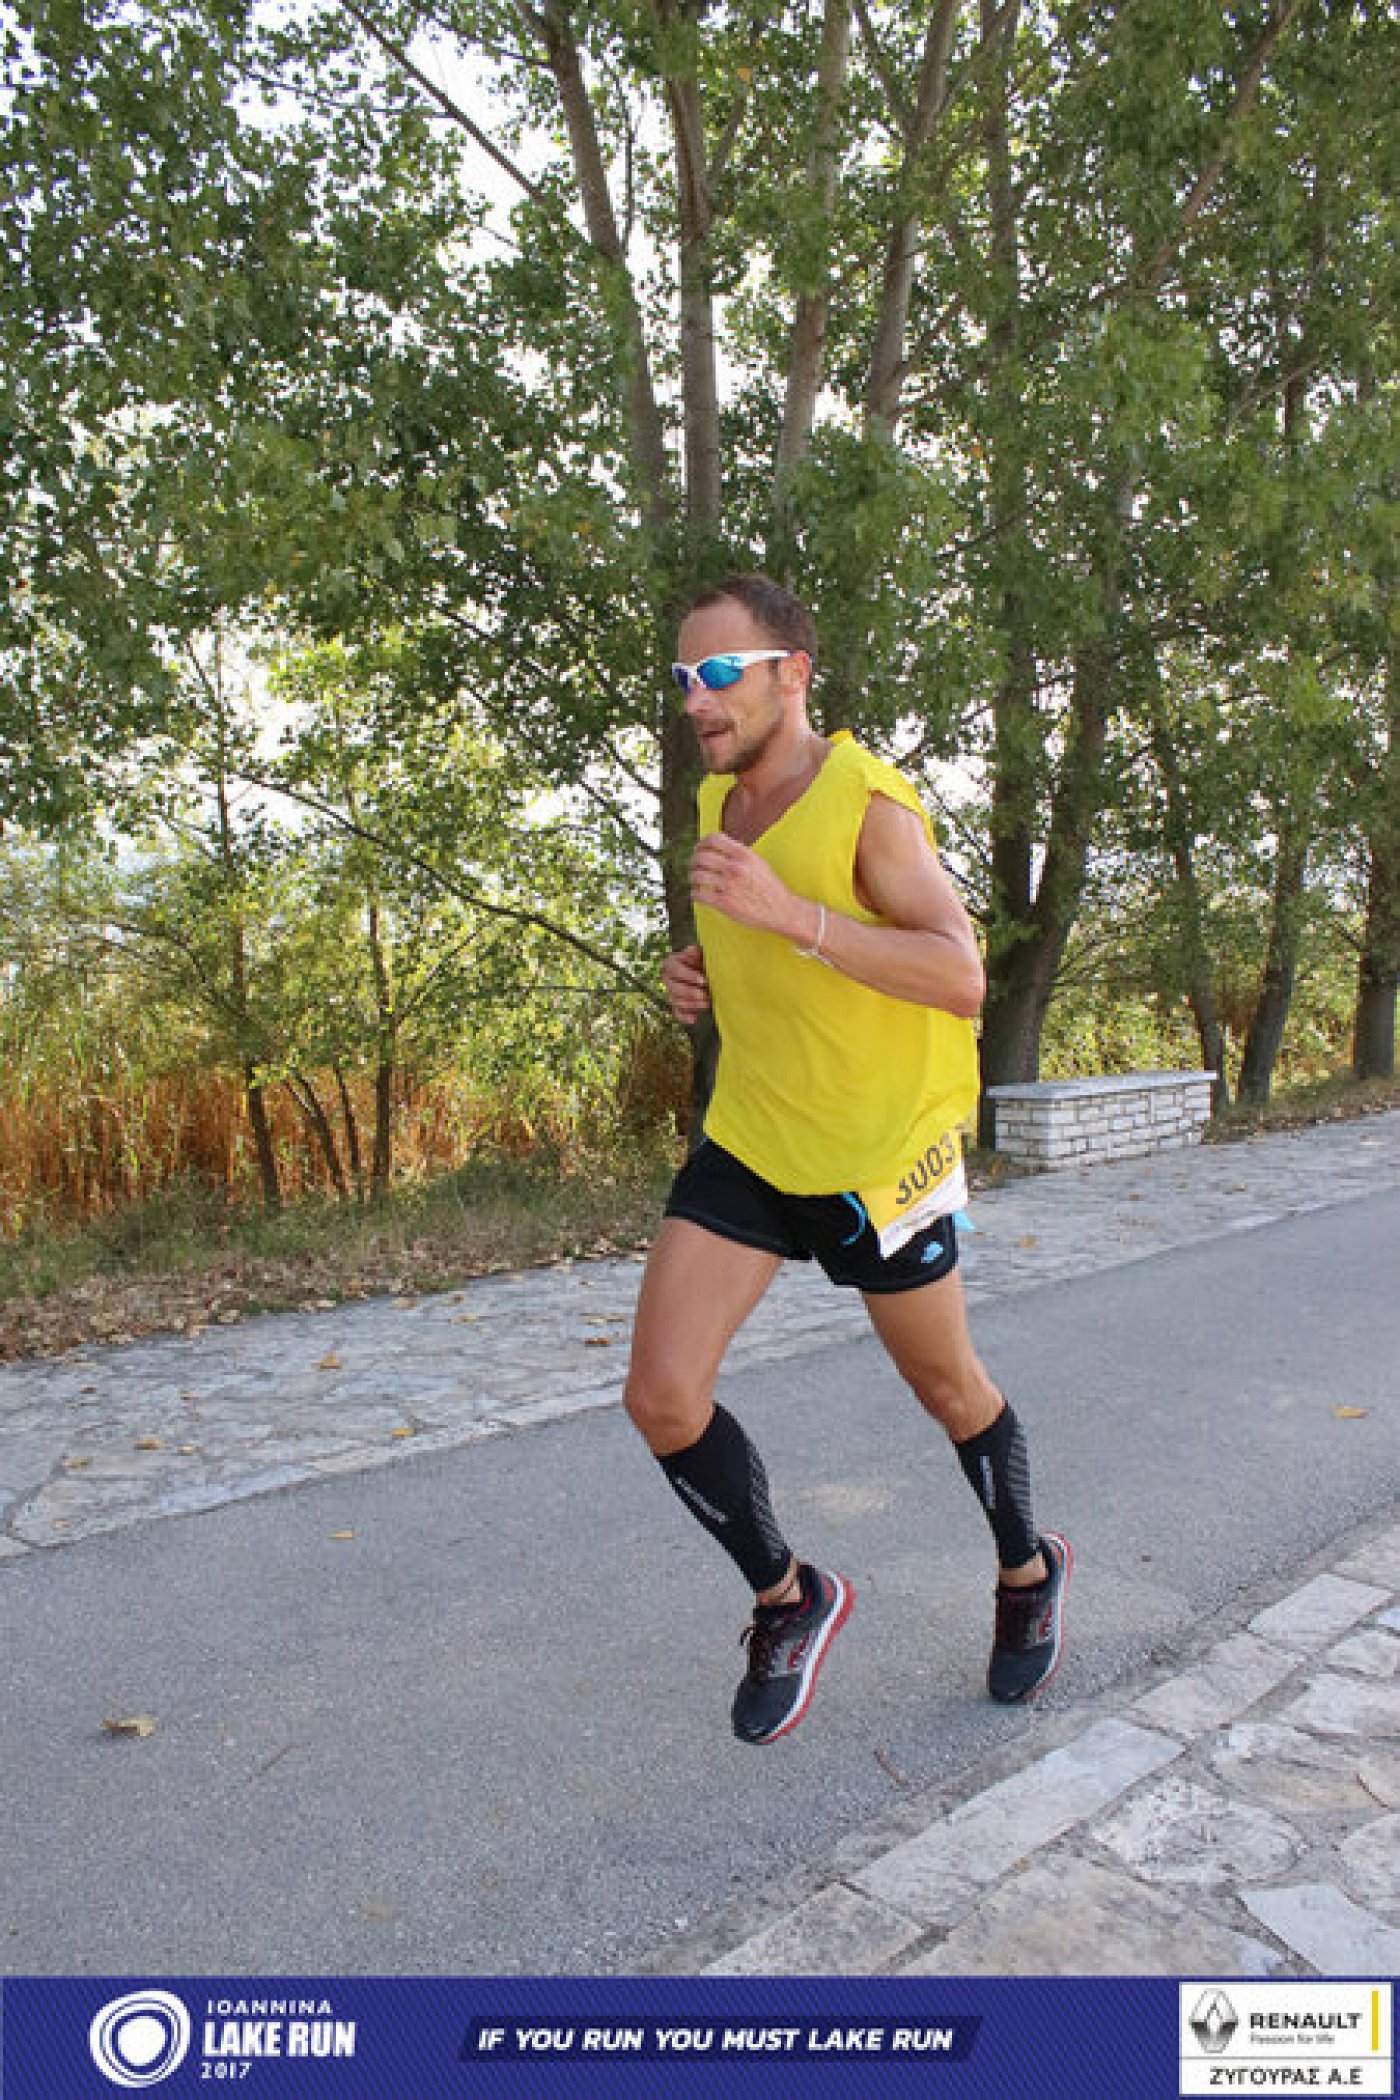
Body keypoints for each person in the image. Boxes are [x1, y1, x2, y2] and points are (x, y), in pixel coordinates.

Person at [623, 573, 1069, 1745]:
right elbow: (769, 960)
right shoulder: (720, 803)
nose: (696, 699)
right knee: (660, 1396)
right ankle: (789, 1597)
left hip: (876, 1158)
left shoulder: (869, 807)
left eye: (720, 674)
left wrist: (792, 919)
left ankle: (1026, 1572)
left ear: (792, 675)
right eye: (684, 676)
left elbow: (957, 974)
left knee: (948, 1390)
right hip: (753, 1136)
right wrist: (703, 976)